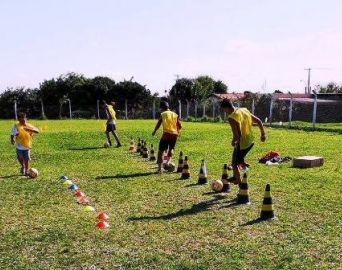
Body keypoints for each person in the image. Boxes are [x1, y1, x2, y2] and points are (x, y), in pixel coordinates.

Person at [220, 99, 266, 184]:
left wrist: (233, 141)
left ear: (226, 108)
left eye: (223, 109)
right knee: (236, 160)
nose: (224, 111)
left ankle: (240, 184)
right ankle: (236, 174)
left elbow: (237, 136)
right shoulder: (244, 110)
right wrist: (263, 134)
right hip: (250, 141)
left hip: (242, 144)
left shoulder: (231, 117)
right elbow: (259, 121)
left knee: (234, 164)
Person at [152, 101, 182, 173]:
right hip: (174, 134)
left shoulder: (163, 114)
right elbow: (179, 125)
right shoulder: (175, 114)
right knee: (171, 148)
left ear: (161, 108)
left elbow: (159, 123)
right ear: (168, 107)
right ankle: (167, 162)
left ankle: (159, 169)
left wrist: (155, 131)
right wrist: (177, 133)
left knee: (160, 151)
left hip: (166, 134)